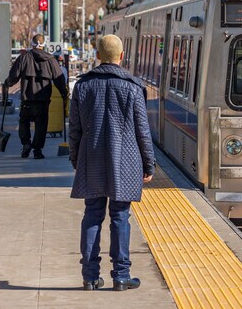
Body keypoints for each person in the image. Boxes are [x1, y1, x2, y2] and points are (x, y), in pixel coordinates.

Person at [69, 34, 155, 291]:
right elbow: (143, 130)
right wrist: (148, 164)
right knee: (120, 216)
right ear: (121, 56)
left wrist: (76, 159)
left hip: (91, 158)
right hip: (125, 161)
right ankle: (121, 275)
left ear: (97, 56)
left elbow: (74, 129)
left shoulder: (83, 86)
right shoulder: (132, 86)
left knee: (92, 215)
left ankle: (90, 277)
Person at [4, 34, 68, 159]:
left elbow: (14, 75)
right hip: (43, 100)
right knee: (41, 124)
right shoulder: (51, 60)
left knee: (24, 121)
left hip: (27, 98)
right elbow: (59, 79)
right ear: (43, 45)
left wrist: (7, 84)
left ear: (32, 43)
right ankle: (37, 150)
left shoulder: (24, 57)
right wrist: (64, 93)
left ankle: (26, 143)